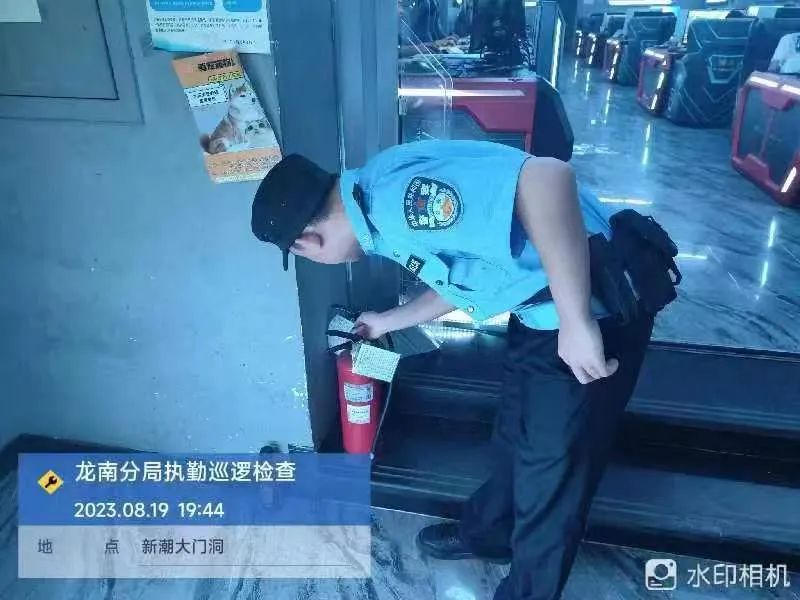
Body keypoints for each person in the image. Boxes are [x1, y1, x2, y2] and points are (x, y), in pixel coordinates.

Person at [251, 140, 680, 600]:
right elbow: (463, 270)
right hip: (539, 312)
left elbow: (548, 178)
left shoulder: (397, 204)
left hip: (592, 313)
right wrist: (387, 322)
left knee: (553, 479)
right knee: (514, 435)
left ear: (307, 243)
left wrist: (576, 321)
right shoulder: (374, 191)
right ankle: (489, 534)